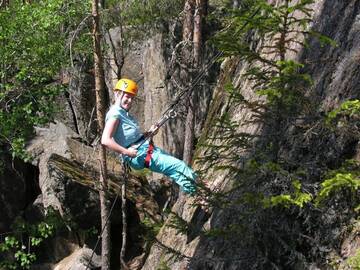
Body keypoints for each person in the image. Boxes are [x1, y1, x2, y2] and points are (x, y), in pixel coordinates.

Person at [101, 78, 197, 195]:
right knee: (179, 166)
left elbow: (130, 137)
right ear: (117, 94)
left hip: (145, 150)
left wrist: (148, 133)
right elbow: (105, 140)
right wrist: (126, 152)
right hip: (138, 155)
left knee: (175, 172)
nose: (130, 100)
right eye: (127, 96)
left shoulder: (123, 113)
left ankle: (199, 196)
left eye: (132, 97)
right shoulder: (115, 114)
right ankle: (203, 187)